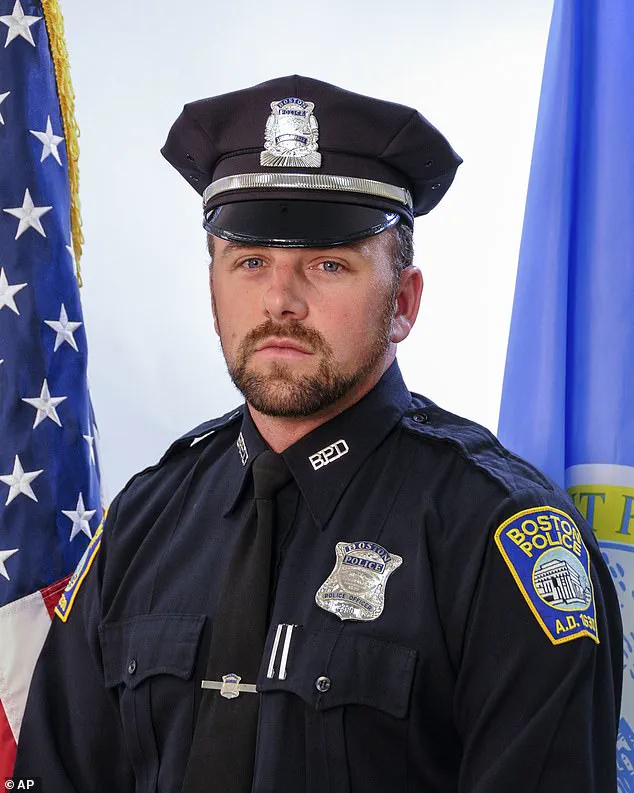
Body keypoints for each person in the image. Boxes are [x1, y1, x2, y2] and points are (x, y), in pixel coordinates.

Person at [15, 75, 622, 793]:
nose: (280, 300)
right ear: (213, 292)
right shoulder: (141, 525)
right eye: (250, 263)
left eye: (328, 264)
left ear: (404, 301)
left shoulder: (497, 537)